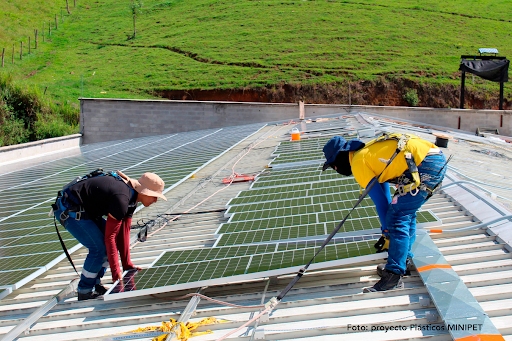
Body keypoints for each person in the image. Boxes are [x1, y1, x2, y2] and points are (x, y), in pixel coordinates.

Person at [322, 133, 447, 292]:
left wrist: (388, 231)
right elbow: (386, 197)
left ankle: (393, 276)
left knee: (397, 217)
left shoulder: (358, 163)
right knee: (404, 210)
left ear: (340, 158)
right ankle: (403, 259)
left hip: (425, 165)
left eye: (334, 165)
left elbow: (381, 204)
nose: (336, 169)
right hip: (432, 159)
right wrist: (386, 230)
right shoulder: (367, 153)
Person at [53, 170, 166, 300]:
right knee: (99, 248)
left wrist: (127, 265)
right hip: (69, 210)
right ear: (144, 192)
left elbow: (123, 233)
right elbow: (110, 237)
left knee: (105, 247)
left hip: (86, 212)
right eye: (154, 196)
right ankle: (84, 290)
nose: (156, 200)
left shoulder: (132, 199)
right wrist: (115, 272)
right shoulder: (122, 199)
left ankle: (95, 284)